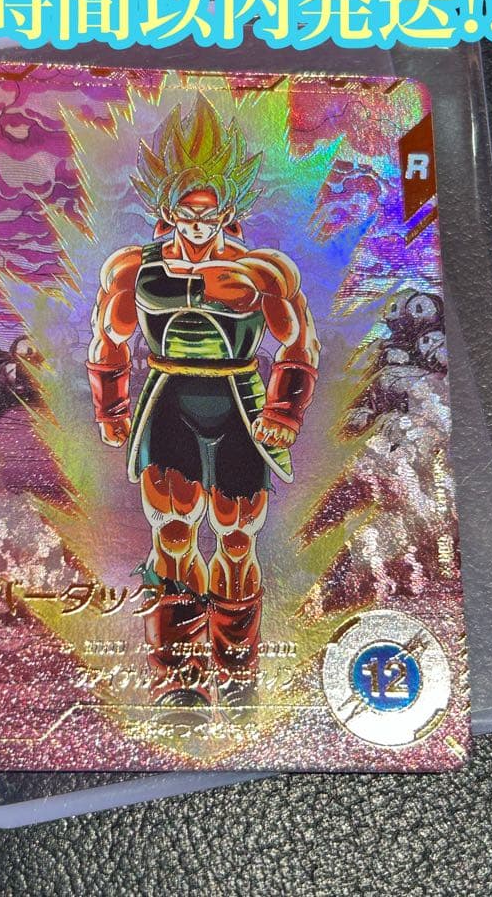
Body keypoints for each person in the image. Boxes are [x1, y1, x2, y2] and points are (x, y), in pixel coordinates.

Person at [86, 94, 320, 709]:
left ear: (227, 209)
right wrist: (111, 410)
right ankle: (178, 679)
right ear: (166, 208)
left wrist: (283, 411)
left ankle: (238, 675)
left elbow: (298, 345)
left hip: (239, 405)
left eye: (208, 210)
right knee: (172, 535)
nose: (196, 222)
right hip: (168, 404)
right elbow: (108, 342)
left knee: (237, 540)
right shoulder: (133, 270)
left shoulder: (262, 271)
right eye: (186, 210)